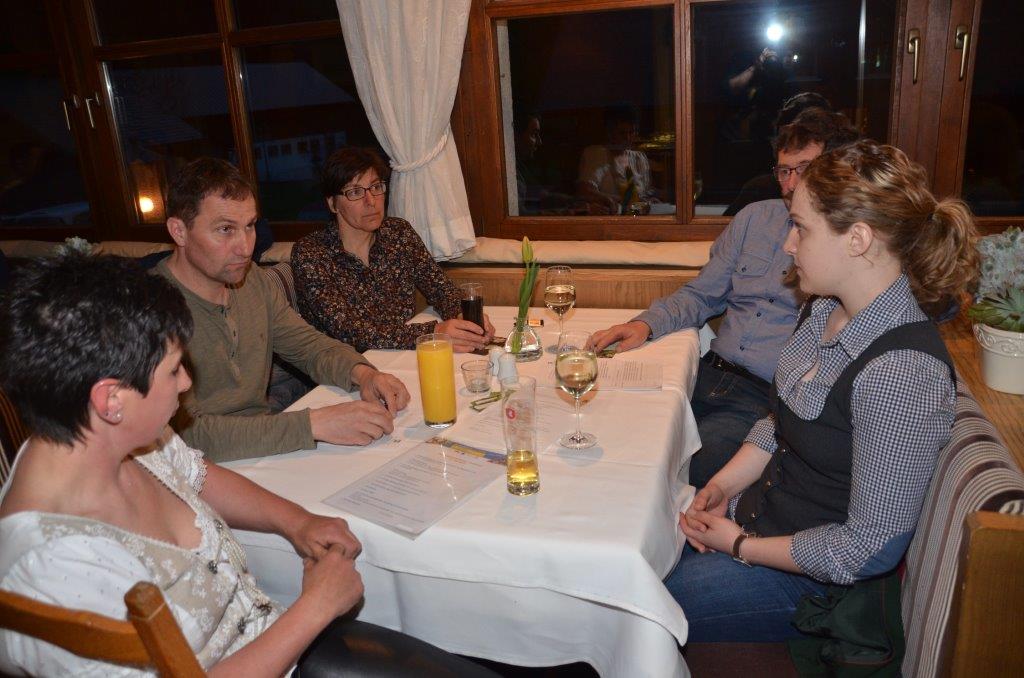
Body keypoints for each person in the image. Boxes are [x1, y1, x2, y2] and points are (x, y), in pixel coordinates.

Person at [0, 254, 495, 677]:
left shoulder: (114, 438)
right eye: (173, 370)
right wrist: (315, 607)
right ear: (110, 399)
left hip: (271, 637)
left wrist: (297, 521)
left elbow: (198, 475)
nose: (187, 384)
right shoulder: (53, 566)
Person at [664, 140, 979, 643]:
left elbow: (866, 549)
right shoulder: (822, 309)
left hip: (814, 584)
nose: (789, 245)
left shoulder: (900, 371)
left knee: (639, 604)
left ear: (857, 239)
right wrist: (721, 488)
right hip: (756, 522)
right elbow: (778, 423)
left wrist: (740, 545)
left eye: (801, 228)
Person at [592, 108, 860, 488]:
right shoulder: (753, 219)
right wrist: (645, 324)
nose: (790, 184)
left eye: (804, 169)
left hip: (762, 398)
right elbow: (702, 294)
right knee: (619, 435)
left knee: (693, 469)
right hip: (705, 373)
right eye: (783, 171)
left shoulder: (844, 250)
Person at [154, 157, 410, 462]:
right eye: (225, 229)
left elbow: (309, 346)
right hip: (196, 467)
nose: (245, 247)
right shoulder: (148, 309)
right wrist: (313, 424)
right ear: (179, 231)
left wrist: (364, 374)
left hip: (263, 450)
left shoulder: (252, 280)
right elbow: (184, 435)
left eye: (250, 226)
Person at [292, 147, 494, 353]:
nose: (371, 201)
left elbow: (441, 289)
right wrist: (434, 332)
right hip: (344, 365)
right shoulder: (311, 254)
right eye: (355, 192)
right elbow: (349, 332)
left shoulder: (398, 233)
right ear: (332, 204)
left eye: (376, 187)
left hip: (399, 355)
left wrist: (464, 316)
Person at [723, 91, 833, 216]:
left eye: (805, 169)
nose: (792, 185)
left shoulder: (846, 208)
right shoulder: (758, 194)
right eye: (786, 137)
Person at [577, 106, 655, 214]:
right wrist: (620, 201)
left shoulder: (639, 158)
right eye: (622, 133)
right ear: (610, 133)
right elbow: (585, 191)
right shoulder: (597, 154)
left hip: (637, 214)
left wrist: (651, 201)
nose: (628, 138)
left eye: (632, 132)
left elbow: (647, 193)